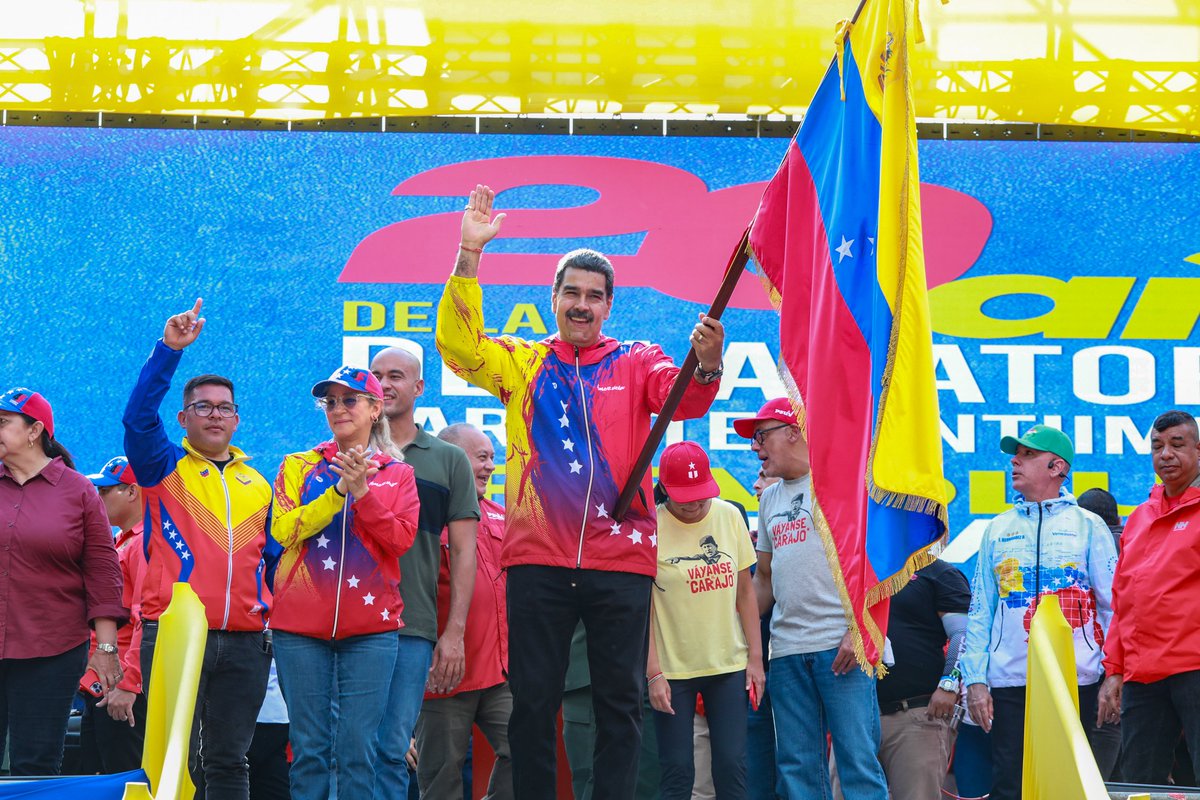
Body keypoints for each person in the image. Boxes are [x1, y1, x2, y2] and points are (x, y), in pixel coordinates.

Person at [436, 185, 724, 800]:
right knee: (534, 704)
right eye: (572, 293)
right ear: (554, 298)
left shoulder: (639, 361)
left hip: (620, 561)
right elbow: (460, 348)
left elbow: (690, 398)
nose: (583, 305)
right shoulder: (523, 363)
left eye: (595, 296)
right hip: (537, 561)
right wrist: (468, 253)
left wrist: (709, 362)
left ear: (609, 305)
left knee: (620, 704)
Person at [123, 299, 276, 800]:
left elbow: (271, 562)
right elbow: (138, 418)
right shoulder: (164, 466)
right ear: (185, 417)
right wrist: (169, 351)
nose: (215, 414)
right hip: (175, 633)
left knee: (231, 760)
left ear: (237, 419)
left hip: (245, 643)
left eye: (225, 407)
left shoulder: (259, 482)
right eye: (204, 407)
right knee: (171, 761)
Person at [270, 366, 420, 800]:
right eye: (330, 401)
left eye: (349, 399)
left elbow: (400, 540)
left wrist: (363, 494)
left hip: (372, 631)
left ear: (375, 410)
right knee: (310, 750)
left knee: (359, 750)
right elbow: (283, 531)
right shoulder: (298, 466)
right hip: (299, 628)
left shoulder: (398, 474)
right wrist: (337, 493)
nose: (338, 408)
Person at [738, 397, 888, 800]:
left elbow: (883, 568)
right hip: (785, 652)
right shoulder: (768, 499)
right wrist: (734, 630)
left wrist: (859, 630)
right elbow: (764, 580)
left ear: (793, 431)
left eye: (760, 436)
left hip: (843, 648)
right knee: (797, 772)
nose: (755, 447)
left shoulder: (848, 484)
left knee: (858, 766)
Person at [961, 424, 1116, 800]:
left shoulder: (1088, 526)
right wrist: (976, 681)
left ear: (1056, 467)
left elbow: (1115, 607)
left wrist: (1115, 674)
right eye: (1016, 454)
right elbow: (981, 609)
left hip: (1077, 681)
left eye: (1028, 454)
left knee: (1073, 788)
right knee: (1009, 787)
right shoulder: (997, 528)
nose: (1015, 461)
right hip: (1010, 683)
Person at [369, 346, 479, 800]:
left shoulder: (447, 459)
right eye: (376, 375)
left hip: (411, 625)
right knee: (341, 750)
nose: (385, 384)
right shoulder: (339, 450)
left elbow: (466, 553)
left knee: (393, 752)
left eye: (396, 375)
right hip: (340, 626)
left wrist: (452, 633)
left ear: (418, 388)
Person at [0, 387, 126, 776]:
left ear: (35, 430)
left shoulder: (79, 490)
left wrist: (105, 648)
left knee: (34, 766)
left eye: (3, 422)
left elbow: (103, 571)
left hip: (51, 650)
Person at [646, 441, 763, 799]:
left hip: (728, 665)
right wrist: (653, 673)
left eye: (702, 495)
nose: (696, 504)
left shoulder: (729, 515)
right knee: (677, 770)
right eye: (685, 498)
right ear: (665, 490)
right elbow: (643, 609)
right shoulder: (650, 526)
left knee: (732, 766)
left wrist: (756, 660)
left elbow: (746, 592)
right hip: (673, 671)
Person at [1098, 409, 1200, 785]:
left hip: (1195, 666)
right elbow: (1124, 599)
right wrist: (1115, 670)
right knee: (1141, 784)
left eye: (1177, 444)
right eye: (1157, 446)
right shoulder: (1139, 517)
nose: (1166, 454)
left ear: (1199, 450)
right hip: (1143, 674)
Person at [416, 423, 512, 800]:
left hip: (501, 673)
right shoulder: (422, 516)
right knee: (441, 780)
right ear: (451, 461)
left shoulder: (502, 515)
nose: (490, 466)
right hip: (442, 677)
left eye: (492, 457)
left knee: (528, 750)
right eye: (481, 457)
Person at [833, 559, 971, 800]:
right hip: (855, 716)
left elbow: (962, 634)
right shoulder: (853, 569)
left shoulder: (939, 573)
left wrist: (949, 682)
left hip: (915, 715)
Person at [80, 455, 149, 774]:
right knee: (98, 779)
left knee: (124, 780)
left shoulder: (145, 543)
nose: (98, 497)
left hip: (121, 690)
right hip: (103, 686)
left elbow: (145, 618)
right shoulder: (122, 541)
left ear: (133, 492)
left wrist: (130, 684)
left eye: (106, 491)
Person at [1075, 486, 1123, 780]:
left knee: (1103, 723)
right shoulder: (1132, 540)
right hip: (1124, 655)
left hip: (1099, 656)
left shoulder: (1093, 545)